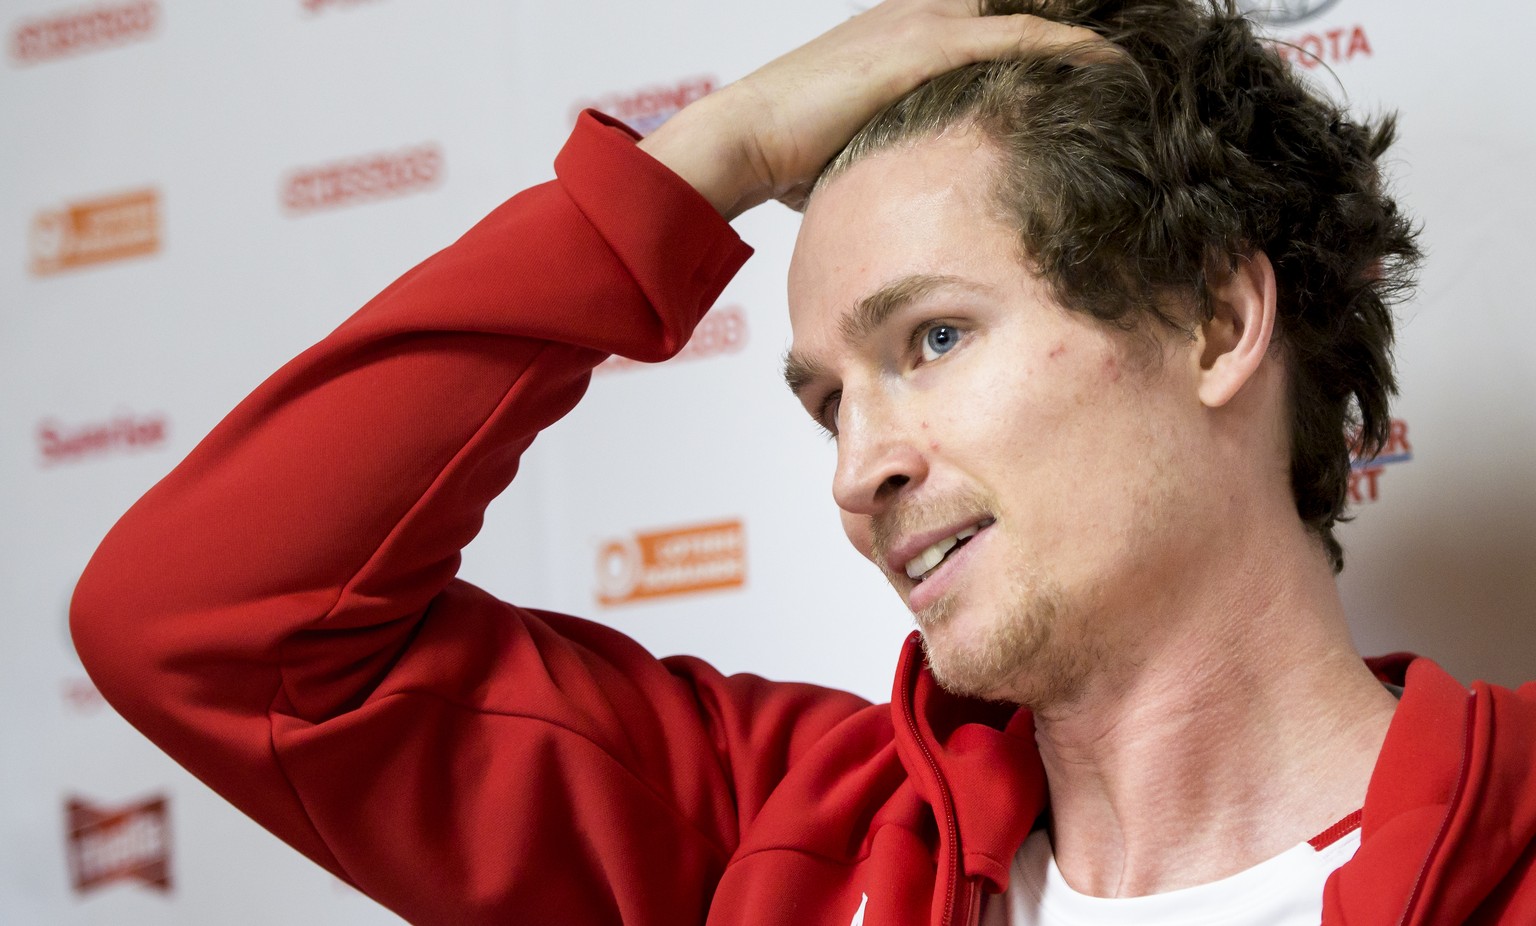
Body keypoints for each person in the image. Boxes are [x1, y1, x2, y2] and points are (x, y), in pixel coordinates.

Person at [71, 0, 1535, 924]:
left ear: (1216, 317)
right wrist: (720, 150)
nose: (858, 470)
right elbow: (205, 626)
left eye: (936, 338)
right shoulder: (770, 831)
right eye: (825, 400)